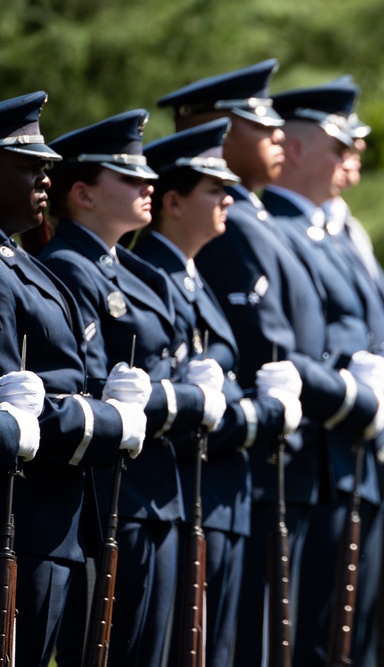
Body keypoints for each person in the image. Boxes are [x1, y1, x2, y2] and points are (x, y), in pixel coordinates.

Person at [156, 60, 384, 665]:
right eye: (262, 128)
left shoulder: (257, 218)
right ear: (219, 132)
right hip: (266, 462)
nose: (279, 137)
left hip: (300, 460)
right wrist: (356, 396)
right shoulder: (237, 223)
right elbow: (271, 349)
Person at [37, 109, 228, 667]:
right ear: (84, 194)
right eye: (129, 177)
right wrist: (186, 399)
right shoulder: (70, 266)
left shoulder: (133, 271)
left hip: (157, 490)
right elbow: (99, 384)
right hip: (117, 496)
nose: (148, 184)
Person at [262, 79, 384, 666]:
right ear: (298, 149)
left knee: (365, 642)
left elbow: (378, 341)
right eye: (340, 148)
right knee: (322, 639)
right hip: (324, 462)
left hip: (368, 458)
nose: (352, 165)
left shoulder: (342, 233)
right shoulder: (279, 234)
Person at [136, 118, 303, 667]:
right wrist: (255, 414)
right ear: (173, 202)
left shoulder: (191, 276)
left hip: (221, 492)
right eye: (214, 189)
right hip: (182, 492)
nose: (229, 200)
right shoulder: (150, 279)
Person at [0, 91, 149, 667]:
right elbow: (21, 405)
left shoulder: (20, 262)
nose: (46, 178)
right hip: (22, 523)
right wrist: (109, 419)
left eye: (48, 167)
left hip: (53, 528)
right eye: (29, 165)